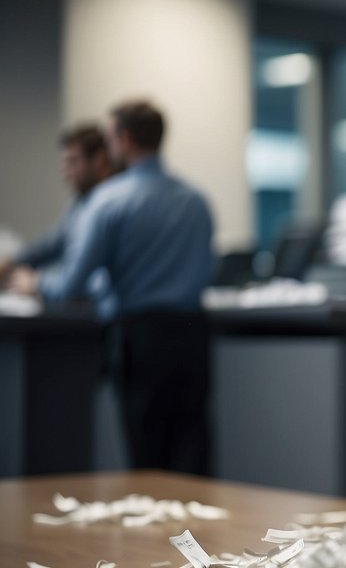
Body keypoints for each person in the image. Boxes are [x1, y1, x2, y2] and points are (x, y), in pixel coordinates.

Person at [8, 100, 216, 475]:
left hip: (141, 337)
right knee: (192, 449)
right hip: (193, 336)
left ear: (125, 139)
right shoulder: (195, 200)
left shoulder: (110, 200)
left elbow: (72, 282)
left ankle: (161, 536)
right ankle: (199, 536)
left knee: (148, 456)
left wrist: (34, 282)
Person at [0, 125, 116, 307]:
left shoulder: (111, 204)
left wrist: (37, 282)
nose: (65, 172)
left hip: (96, 309)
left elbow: (80, 281)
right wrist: (10, 263)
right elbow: (53, 242)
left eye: (72, 162)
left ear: (99, 160)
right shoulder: (82, 201)